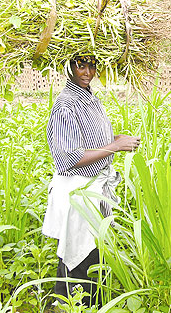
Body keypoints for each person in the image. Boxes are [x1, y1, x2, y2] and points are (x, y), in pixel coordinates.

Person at [42, 56, 141, 307]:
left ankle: (91, 306)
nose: (87, 72)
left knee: (94, 258)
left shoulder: (89, 97)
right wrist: (115, 147)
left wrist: (116, 139)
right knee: (76, 262)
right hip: (78, 192)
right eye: (80, 65)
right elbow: (69, 158)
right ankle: (67, 308)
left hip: (93, 192)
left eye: (92, 66)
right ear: (68, 66)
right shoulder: (66, 105)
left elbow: (91, 141)